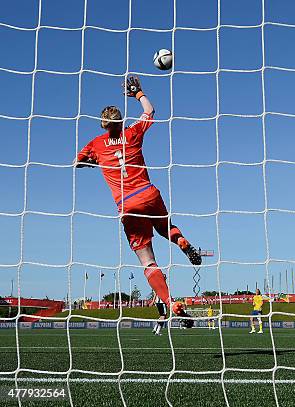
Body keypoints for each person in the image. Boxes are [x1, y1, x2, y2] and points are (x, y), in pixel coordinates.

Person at [75, 76, 201, 317]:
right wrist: (138, 93)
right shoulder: (132, 133)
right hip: (149, 193)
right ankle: (181, 241)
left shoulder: (96, 144)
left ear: (103, 124)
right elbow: (150, 111)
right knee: (167, 228)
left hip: (127, 204)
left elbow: (77, 162)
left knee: (148, 261)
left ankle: (170, 302)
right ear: (121, 121)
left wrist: (95, 162)